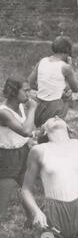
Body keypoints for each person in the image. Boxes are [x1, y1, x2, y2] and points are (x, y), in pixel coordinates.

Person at [0, 78, 37, 222]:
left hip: (23, 152)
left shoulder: (20, 106)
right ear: (14, 92)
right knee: (2, 203)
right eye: (26, 90)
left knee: (28, 191)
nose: (30, 93)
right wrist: (33, 109)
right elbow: (25, 131)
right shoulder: (4, 112)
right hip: (6, 157)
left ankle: (31, 223)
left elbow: (28, 131)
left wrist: (37, 134)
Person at [28, 35, 78, 133]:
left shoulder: (42, 61)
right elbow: (76, 88)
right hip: (54, 107)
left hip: (39, 106)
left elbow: (31, 83)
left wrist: (47, 89)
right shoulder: (65, 67)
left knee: (43, 134)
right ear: (68, 50)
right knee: (68, 94)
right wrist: (71, 67)